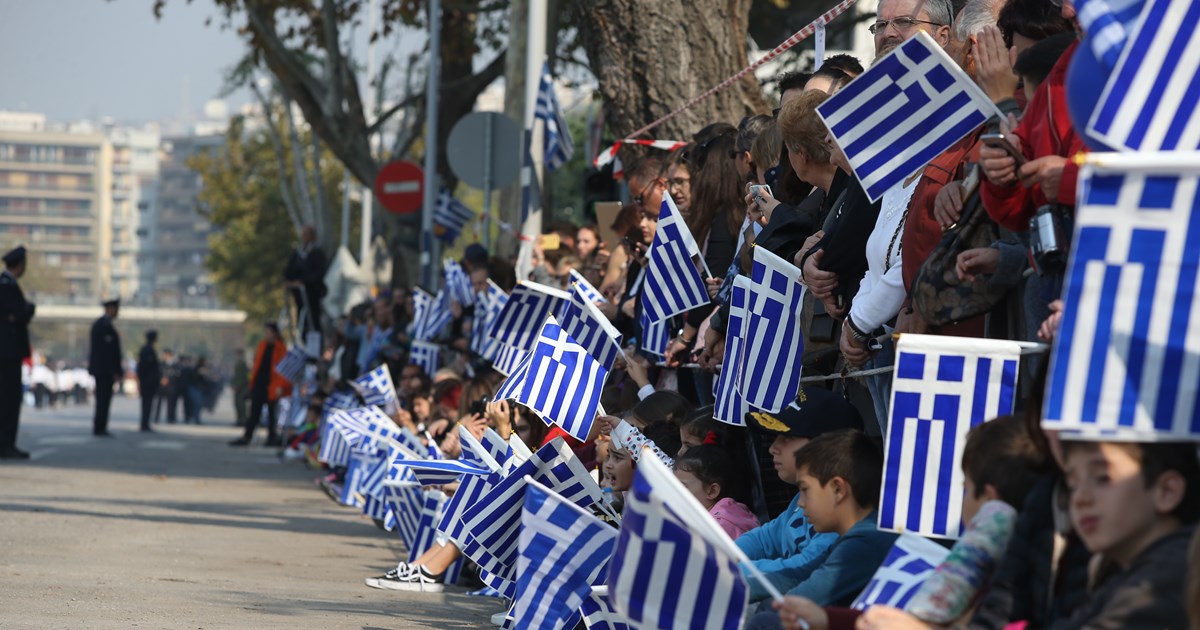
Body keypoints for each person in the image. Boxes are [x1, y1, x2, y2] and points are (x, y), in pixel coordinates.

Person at [750, 430, 895, 629]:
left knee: (766, 621)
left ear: (838, 489)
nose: (800, 503)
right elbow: (798, 574)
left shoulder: (865, 542)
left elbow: (803, 595)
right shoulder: (855, 536)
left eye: (805, 490)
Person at [736, 388, 863, 603]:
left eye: (787, 437)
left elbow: (799, 571)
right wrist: (722, 554)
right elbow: (766, 538)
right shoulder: (800, 499)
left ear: (826, 447)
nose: (773, 448)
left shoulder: (843, 509)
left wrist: (724, 570)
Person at [674, 444, 759, 539]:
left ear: (712, 491)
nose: (674, 492)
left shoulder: (717, 528)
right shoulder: (733, 512)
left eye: (682, 487)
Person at [230, 323, 291, 447]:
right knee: (254, 412)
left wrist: (281, 385)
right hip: (259, 384)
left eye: (268, 332)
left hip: (273, 385)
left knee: (272, 414)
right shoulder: (262, 345)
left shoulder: (281, 348)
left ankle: (271, 437)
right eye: (265, 332)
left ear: (275, 333)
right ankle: (247, 436)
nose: (266, 334)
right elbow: (256, 365)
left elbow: (284, 370)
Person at [0, 245, 35, 459]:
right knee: (9, 400)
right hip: (7, 353)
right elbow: (19, 313)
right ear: (20, 265)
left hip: (8, 353)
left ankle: (6, 442)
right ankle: (5, 443)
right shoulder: (6, 286)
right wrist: (28, 309)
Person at [283, 224, 328, 339]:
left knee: (313, 321)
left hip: (312, 294)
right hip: (300, 296)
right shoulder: (298, 252)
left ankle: (314, 348)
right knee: (302, 320)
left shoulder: (317, 253)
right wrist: (289, 281)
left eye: (306, 235)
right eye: (302, 235)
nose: (304, 237)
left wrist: (303, 282)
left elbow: (318, 273)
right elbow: (289, 270)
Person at [89, 299, 123, 437]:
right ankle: (99, 426)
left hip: (105, 370)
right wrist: (113, 370)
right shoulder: (101, 325)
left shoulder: (106, 325)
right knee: (102, 399)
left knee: (105, 399)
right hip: (103, 370)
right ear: (110, 309)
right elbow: (106, 352)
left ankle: (102, 425)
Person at [136, 330, 161, 433]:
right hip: (148, 381)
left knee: (148, 403)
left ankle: (145, 423)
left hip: (147, 381)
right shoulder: (147, 350)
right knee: (147, 403)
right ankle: (144, 423)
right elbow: (145, 367)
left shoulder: (147, 349)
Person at [230, 348, 249, 427]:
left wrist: (238, 386)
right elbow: (234, 376)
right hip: (237, 386)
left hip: (242, 387)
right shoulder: (237, 363)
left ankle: (243, 419)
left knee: (241, 403)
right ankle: (239, 419)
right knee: (237, 403)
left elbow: (242, 377)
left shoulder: (243, 364)